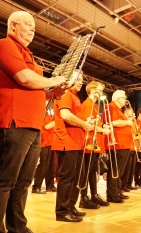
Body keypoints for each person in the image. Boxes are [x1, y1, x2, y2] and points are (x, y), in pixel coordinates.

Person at [0, 11, 66, 233]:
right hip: (14, 122)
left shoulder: (28, 54)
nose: (33, 29)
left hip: (32, 125)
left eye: (34, 26)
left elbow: (33, 89)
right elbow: (24, 78)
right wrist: (54, 79)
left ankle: (18, 227)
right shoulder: (5, 44)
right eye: (28, 24)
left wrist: (51, 92)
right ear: (13, 25)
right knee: (5, 181)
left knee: (24, 181)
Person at [52, 71, 94, 222]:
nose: (81, 81)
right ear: (68, 79)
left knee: (74, 178)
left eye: (82, 79)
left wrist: (85, 122)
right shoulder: (65, 94)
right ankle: (62, 212)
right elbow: (65, 115)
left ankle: (70, 207)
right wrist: (84, 124)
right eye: (78, 78)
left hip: (75, 143)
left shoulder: (74, 96)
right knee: (67, 178)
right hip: (67, 142)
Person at [78, 81, 110, 209]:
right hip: (89, 142)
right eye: (99, 90)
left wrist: (102, 126)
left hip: (94, 143)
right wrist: (103, 130)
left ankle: (94, 195)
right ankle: (84, 197)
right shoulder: (87, 104)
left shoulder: (94, 106)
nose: (101, 92)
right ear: (92, 90)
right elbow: (87, 124)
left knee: (92, 171)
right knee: (86, 172)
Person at [103, 90, 133, 203]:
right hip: (117, 143)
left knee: (119, 170)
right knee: (115, 169)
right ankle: (112, 194)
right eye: (123, 98)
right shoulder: (110, 107)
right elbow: (112, 122)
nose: (125, 100)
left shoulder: (118, 109)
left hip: (123, 143)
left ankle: (117, 191)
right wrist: (127, 122)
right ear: (117, 98)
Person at [32, 108, 57, 194]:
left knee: (50, 165)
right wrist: (59, 120)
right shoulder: (42, 111)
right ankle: (36, 186)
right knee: (43, 164)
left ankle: (50, 185)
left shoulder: (50, 110)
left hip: (51, 141)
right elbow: (47, 126)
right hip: (44, 141)